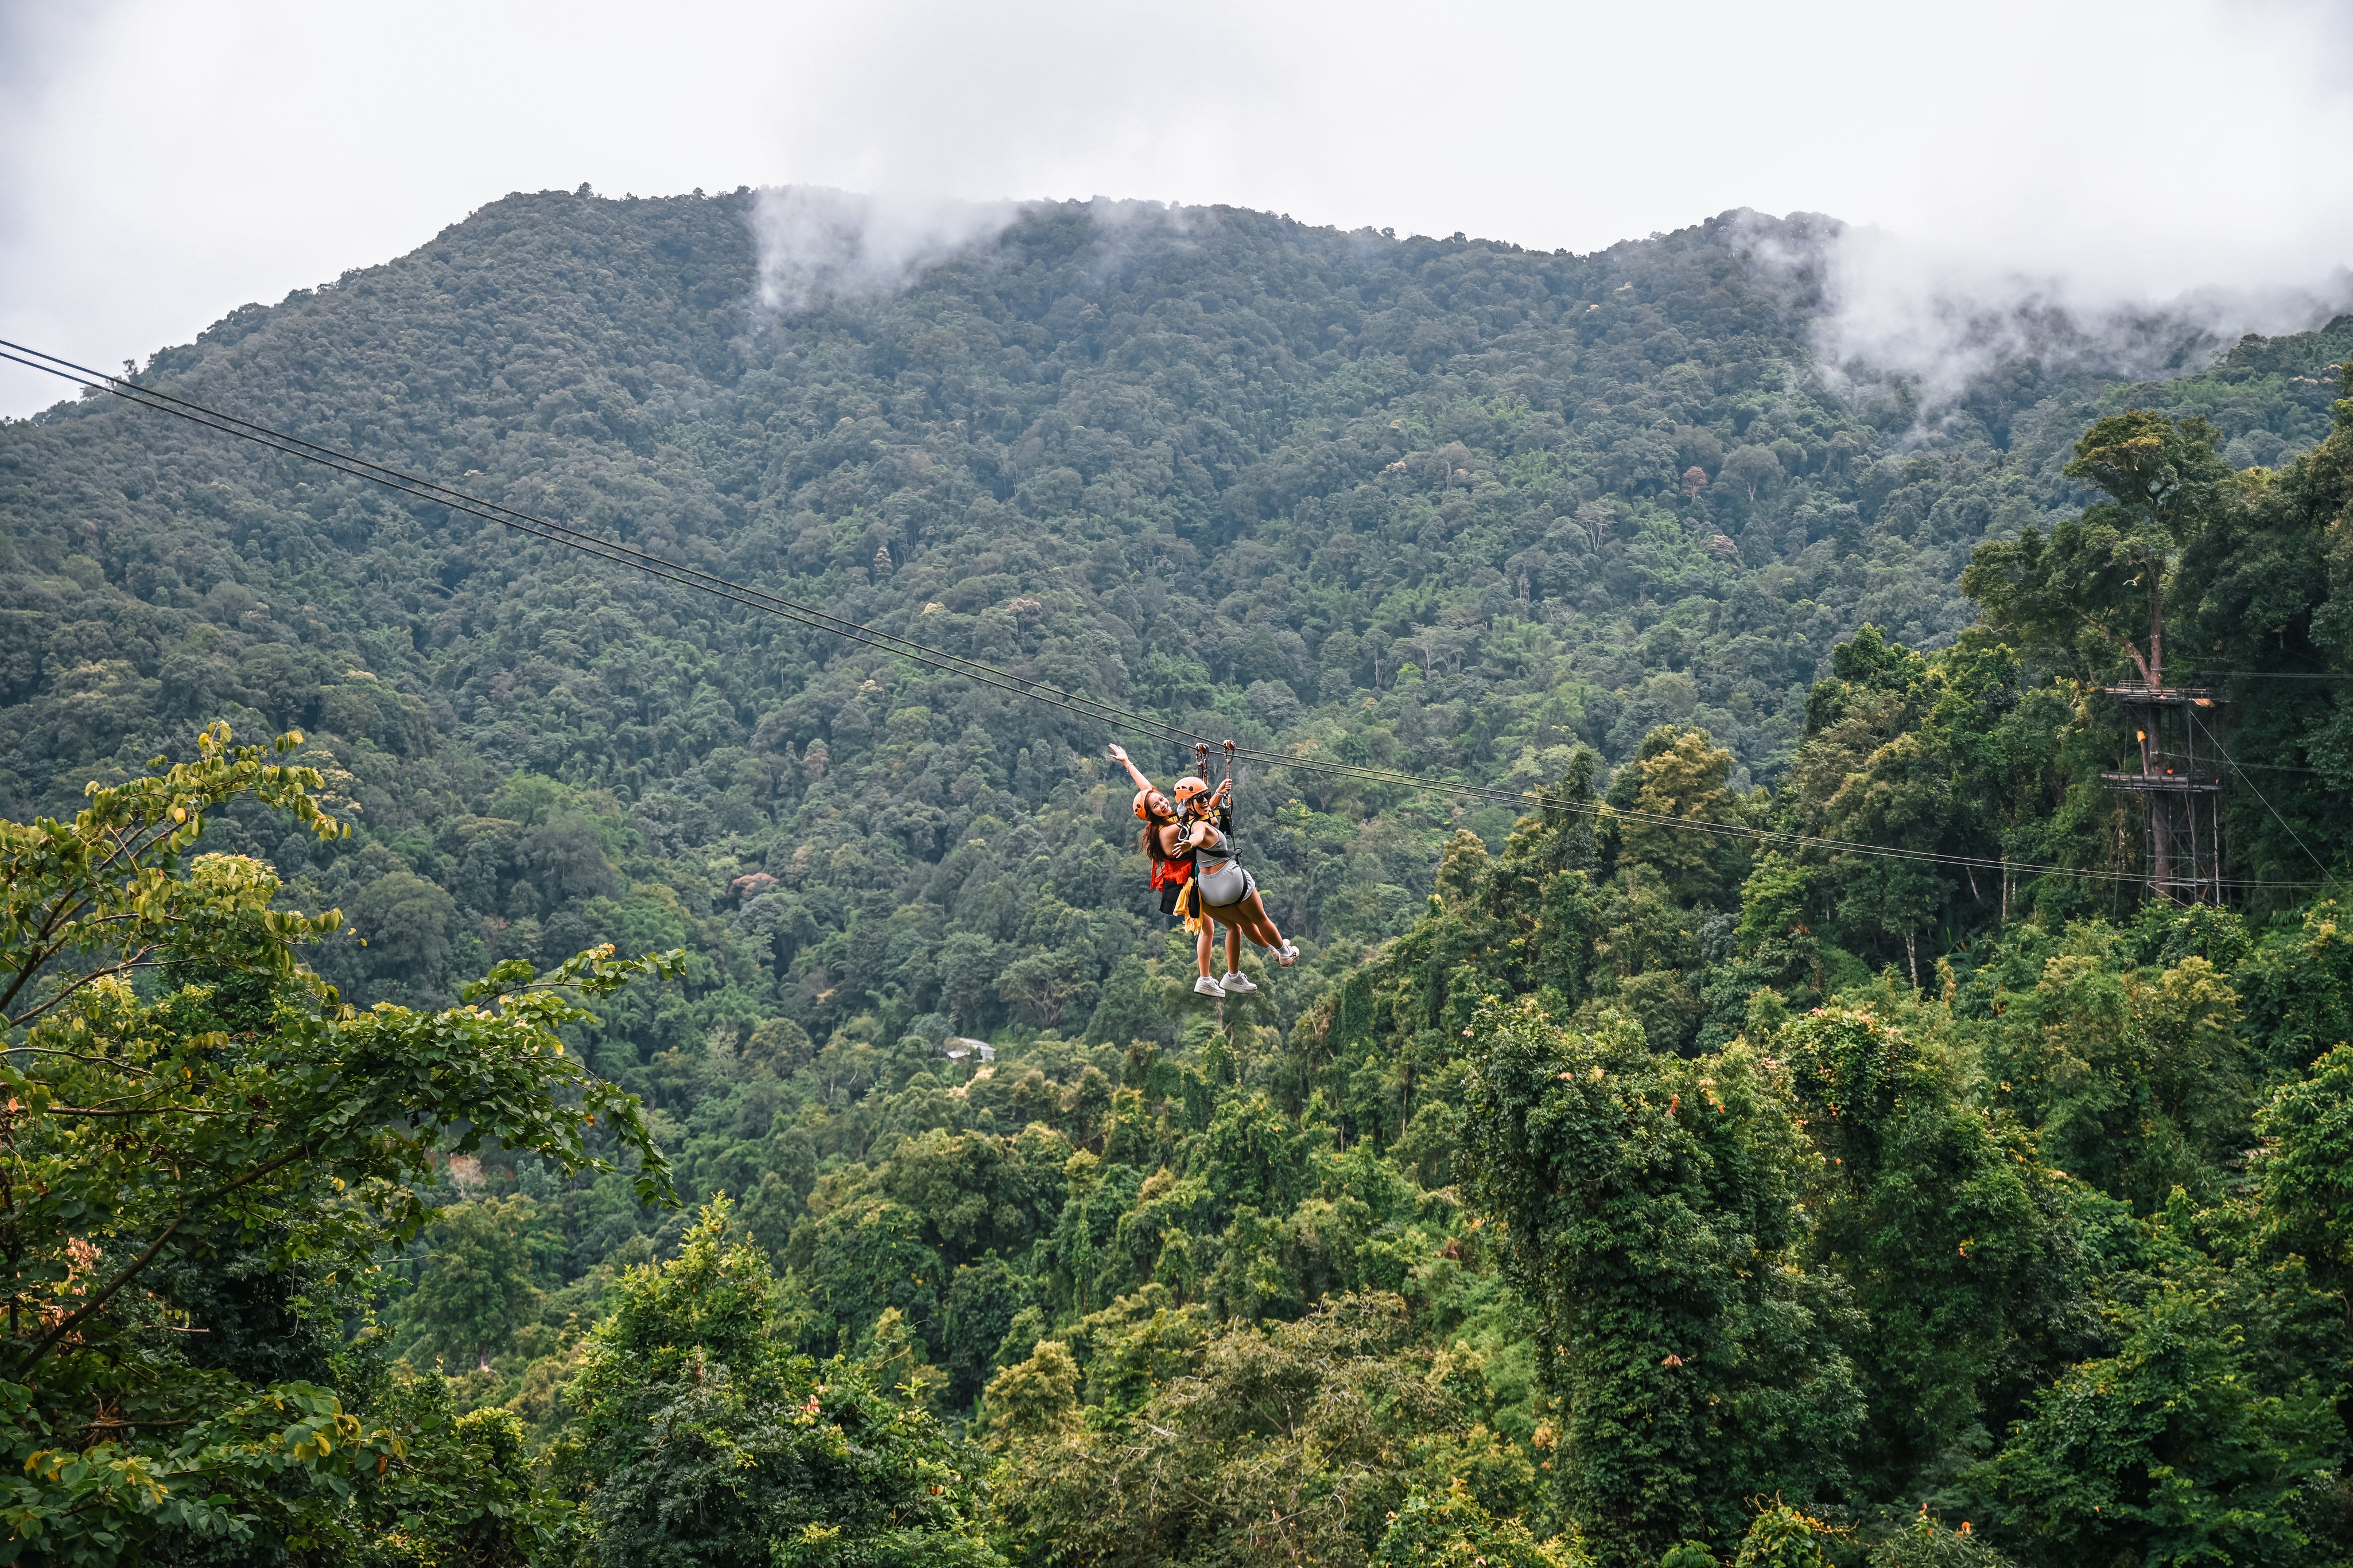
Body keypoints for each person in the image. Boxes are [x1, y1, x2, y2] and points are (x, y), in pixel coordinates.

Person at [1106, 744, 1298, 997]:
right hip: (1193, 884)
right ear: (1151, 815)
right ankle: (1211, 977)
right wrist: (1211, 800)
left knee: (1233, 926)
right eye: (1157, 805)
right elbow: (1200, 824)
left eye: (1162, 799)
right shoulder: (1170, 829)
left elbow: (1148, 790)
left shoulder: (1163, 824)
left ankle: (1262, 956)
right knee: (1212, 930)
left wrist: (1128, 763)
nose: (1163, 803)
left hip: (1194, 882)